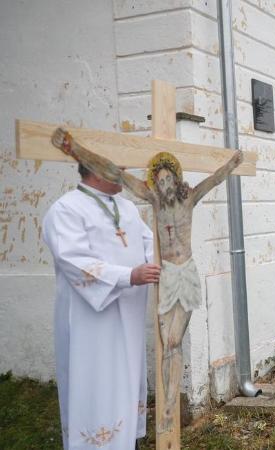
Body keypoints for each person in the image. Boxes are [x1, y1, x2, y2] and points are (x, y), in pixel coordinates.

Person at [52, 128, 242, 431]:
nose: (165, 183)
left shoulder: (165, 201)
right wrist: (74, 149)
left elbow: (214, 181)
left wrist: (233, 163)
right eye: (161, 179)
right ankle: (165, 412)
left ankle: (160, 414)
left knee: (170, 346)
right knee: (168, 344)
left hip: (172, 282)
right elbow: (115, 175)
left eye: (169, 178)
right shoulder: (76, 207)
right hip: (131, 293)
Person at [43, 160, 160, 449]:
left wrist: (162, 261)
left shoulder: (127, 208)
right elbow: (72, 259)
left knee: (126, 377)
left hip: (128, 314)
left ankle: (125, 440)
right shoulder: (66, 209)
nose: (124, 173)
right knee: (96, 380)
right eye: (116, 169)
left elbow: (150, 243)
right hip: (91, 317)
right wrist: (128, 276)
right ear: (95, 171)